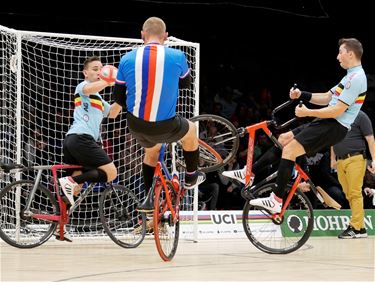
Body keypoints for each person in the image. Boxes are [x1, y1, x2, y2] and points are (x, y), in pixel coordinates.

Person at [224, 38, 367, 214]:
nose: (338, 56)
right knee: (283, 139)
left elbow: (337, 110)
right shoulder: (349, 76)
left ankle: (276, 199)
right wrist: (302, 94)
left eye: (340, 52)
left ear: (350, 54)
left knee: (289, 150)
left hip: (334, 126)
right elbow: (327, 97)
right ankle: (249, 172)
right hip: (327, 122)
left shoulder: (357, 78)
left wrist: (307, 112)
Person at [110, 17, 205, 211]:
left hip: (136, 125)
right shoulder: (177, 55)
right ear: (166, 37)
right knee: (192, 129)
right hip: (165, 125)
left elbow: (119, 97)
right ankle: (191, 176)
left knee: (151, 151)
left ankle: (147, 199)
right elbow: (185, 85)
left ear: (142, 36)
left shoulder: (127, 58)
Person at [58, 56, 118, 208]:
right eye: (95, 69)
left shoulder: (97, 98)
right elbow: (90, 88)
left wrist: (123, 95)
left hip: (73, 141)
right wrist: (108, 80)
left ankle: (58, 222)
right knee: (111, 173)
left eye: (101, 69)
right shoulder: (83, 86)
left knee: (74, 190)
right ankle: (71, 181)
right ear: (85, 73)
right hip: (81, 139)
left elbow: (112, 113)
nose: (99, 72)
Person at [331, 110, 375, 238]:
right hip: (340, 161)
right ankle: (361, 229)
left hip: (356, 158)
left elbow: (370, 139)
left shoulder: (360, 116)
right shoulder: (337, 115)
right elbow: (333, 139)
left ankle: (355, 227)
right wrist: (332, 159)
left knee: (355, 193)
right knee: (349, 194)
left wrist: (374, 160)